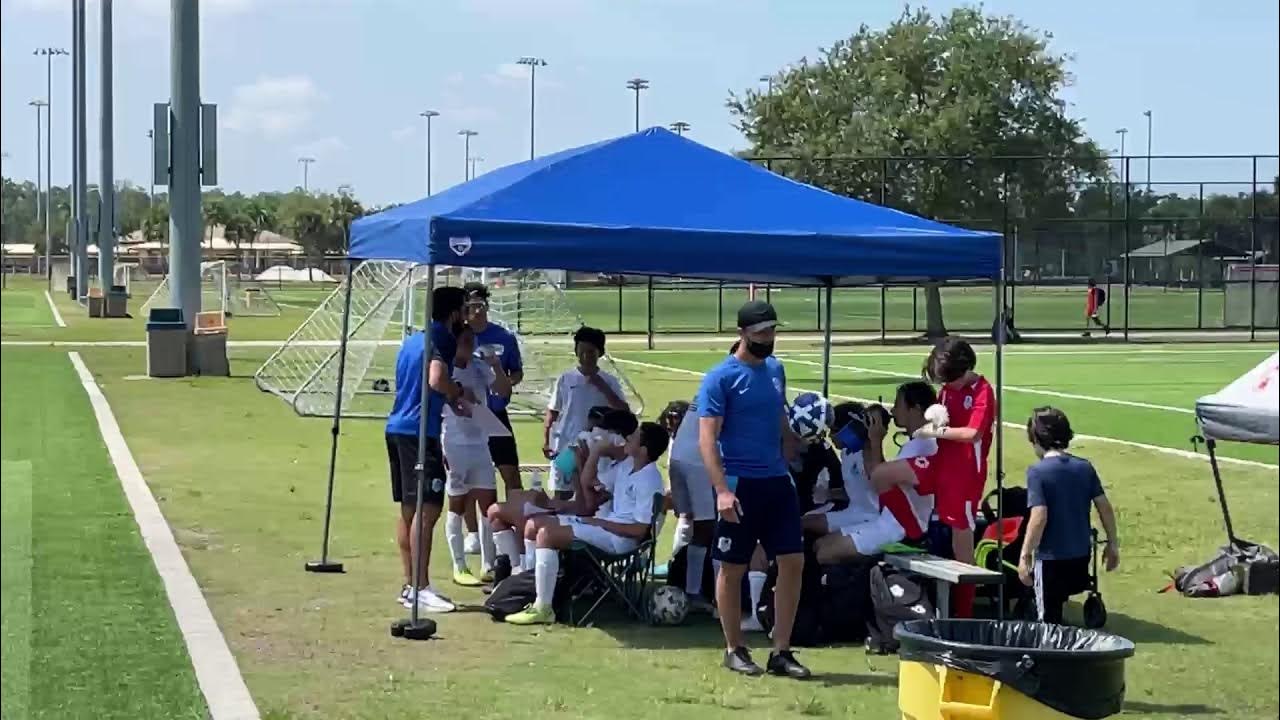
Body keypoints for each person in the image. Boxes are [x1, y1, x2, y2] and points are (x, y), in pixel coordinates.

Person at [698, 300, 810, 679]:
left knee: (793, 561)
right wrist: (722, 491)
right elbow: (707, 440)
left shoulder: (776, 370)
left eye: (772, 331)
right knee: (733, 567)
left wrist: (792, 440)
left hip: (777, 481)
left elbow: (777, 414)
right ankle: (734, 648)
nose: (769, 339)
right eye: (761, 333)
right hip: (740, 484)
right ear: (743, 333)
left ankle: (781, 650)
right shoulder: (720, 378)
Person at [866, 338, 996, 619]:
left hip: (965, 475)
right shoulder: (948, 390)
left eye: (949, 380)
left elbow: (972, 434)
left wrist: (934, 432)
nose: (945, 386)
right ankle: (911, 531)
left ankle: (963, 616)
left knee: (962, 552)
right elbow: (941, 421)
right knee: (882, 475)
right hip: (941, 464)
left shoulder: (984, 392)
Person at [504, 422, 669, 625]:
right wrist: (596, 451)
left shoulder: (649, 480)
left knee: (547, 534)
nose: (628, 439)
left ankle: (543, 607)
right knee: (533, 525)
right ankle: (530, 592)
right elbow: (589, 482)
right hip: (606, 527)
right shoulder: (628, 466)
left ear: (643, 449)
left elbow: (639, 530)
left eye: (634, 437)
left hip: (620, 540)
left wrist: (598, 522)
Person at [384, 285, 470, 614]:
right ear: (453, 314)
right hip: (420, 433)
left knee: (409, 509)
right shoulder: (443, 338)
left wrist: (448, 398)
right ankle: (420, 588)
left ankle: (409, 585)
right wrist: (456, 390)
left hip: (397, 429)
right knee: (428, 510)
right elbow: (436, 378)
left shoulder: (410, 340)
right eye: (463, 310)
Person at [487, 409, 638, 573]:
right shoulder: (610, 462)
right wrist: (559, 497)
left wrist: (583, 463)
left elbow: (587, 507)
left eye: (599, 432)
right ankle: (516, 569)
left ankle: (524, 574)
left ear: (617, 438)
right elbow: (583, 501)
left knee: (529, 520)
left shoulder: (620, 467)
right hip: (588, 517)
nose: (593, 436)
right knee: (500, 510)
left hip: (597, 525)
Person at [1017, 407, 1120, 625]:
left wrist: (1025, 555)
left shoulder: (1037, 472)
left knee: (1047, 620)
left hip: (1051, 560)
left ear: (1035, 438)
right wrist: (1112, 544)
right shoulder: (1084, 468)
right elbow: (1104, 507)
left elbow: (1039, 516)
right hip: (1080, 557)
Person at [817, 382, 938, 564]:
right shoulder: (916, 443)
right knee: (821, 546)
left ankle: (864, 585)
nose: (893, 410)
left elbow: (877, 478)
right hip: (888, 523)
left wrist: (875, 440)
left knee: (825, 553)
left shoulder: (922, 446)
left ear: (916, 409)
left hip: (901, 530)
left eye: (897, 405)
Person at [442, 324, 512, 587]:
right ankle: (459, 565)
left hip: (481, 442)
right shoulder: (446, 369)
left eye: (472, 341)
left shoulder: (479, 366)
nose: (469, 346)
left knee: (488, 503)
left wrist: (495, 365)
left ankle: (488, 564)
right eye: (464, 341)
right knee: (457, 503)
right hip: (454, 443)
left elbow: (503, 391)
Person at [543, 326, 629, 499]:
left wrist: (602, 387)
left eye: (590, 352)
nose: (585, 357)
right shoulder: (566, 379)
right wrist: (546, 440)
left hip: (595, 447)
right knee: (563, 491)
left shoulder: (609, 381)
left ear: (600, 353)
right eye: (581, 352)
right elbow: (553, 411)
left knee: (592, 493)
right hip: (567, 443)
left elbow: (624, 411)